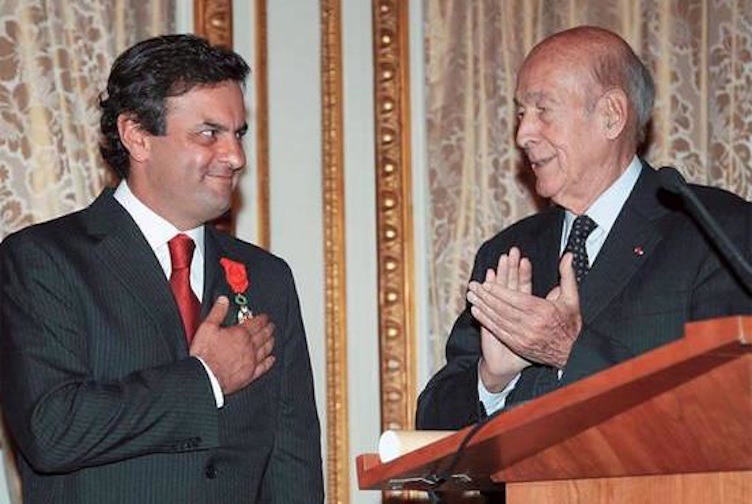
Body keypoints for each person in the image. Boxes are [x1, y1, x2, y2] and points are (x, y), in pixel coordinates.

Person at [0, 34, 323, 503]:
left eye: (238, 134)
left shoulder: (267, 278)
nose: (235, 157)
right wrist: (205, 378)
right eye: (209, 133)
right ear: (137, 135)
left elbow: (293, 467)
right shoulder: (43, 260)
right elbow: (52, 429)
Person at [417, 26, 752, 431]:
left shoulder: (713, 230)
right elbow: (431, 423)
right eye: (521, 113)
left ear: (611, 115)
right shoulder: (509, 252)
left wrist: (570, 351)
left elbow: (726, 406)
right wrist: (492, 379)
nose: (523, 134)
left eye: (543, 110)